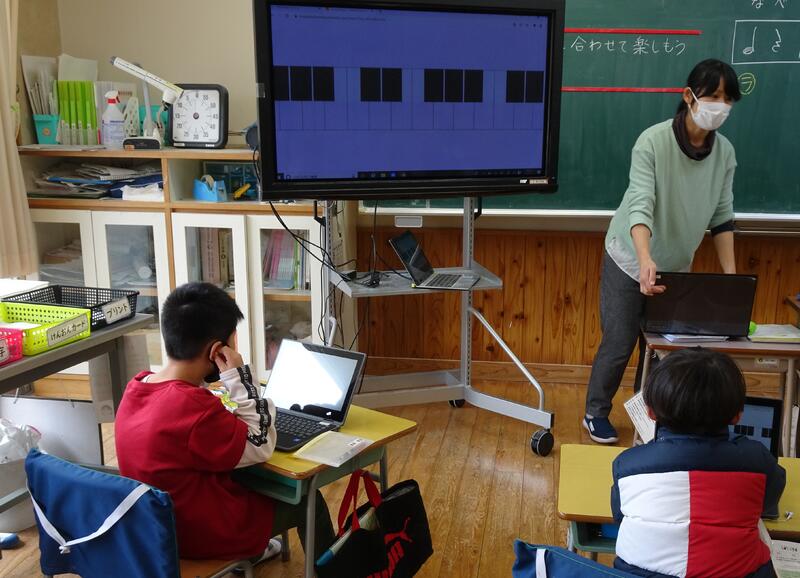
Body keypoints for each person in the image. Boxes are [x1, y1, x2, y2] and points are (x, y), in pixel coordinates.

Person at [115, 282, 335, 565]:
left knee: (242, 478)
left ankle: (253, 554)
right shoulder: (191, 407)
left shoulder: (137, 386)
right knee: (308, 500)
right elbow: (261, 443)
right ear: (217, 350)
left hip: (156, 529)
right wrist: (239, 377)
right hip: (197, 535)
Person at [584, 59, 742, 443]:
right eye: (713, 96)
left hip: (675, 264)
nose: (720, 106)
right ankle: (595, 412)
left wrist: (732, 277)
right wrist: (644, 259)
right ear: (689, 96)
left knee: (660, 351)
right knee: (620, 340)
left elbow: (722, 218)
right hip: (629, 256)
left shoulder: (724, 153)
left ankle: (652, 418)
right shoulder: (652, 141)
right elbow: (641, 204)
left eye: (728, 99)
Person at [611, 348, 785, 578]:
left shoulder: (627, 464)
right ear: (737, 415)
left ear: (651, 412)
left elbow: (619, 515)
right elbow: (767, 504)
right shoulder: (758, 460)